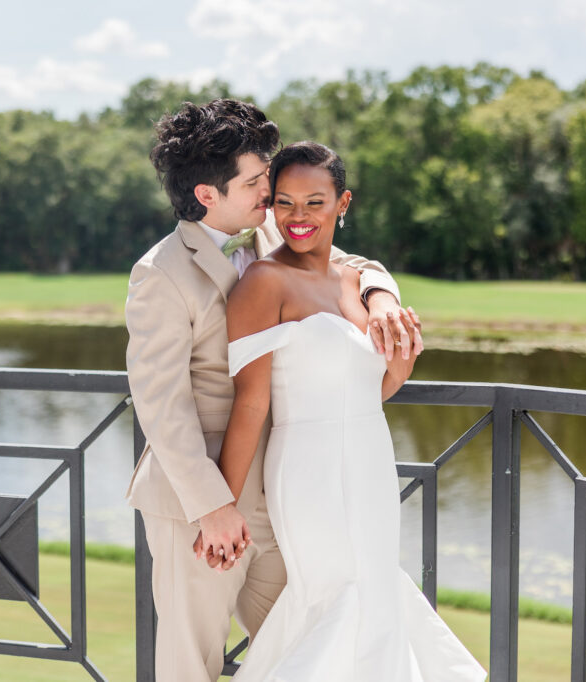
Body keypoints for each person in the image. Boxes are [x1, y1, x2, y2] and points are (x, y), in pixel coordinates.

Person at [125, 99, 416, 682]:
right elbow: (162, 406)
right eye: (258, 182)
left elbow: (349, 259)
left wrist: (382, 295)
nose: (272, 194)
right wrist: (212, 507)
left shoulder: (267, 228)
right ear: (209, 194)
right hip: (199, 503)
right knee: (192, 665)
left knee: (310, 650)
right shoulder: (159, 274)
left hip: (286, 497)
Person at [218, 141, 486, 681]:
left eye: (314, 203)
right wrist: (222, 506)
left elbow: (369, 390)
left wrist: (401, 367)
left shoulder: (355, 283)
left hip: (370, 461)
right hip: (308, 469)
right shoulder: (262, 282)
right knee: (335, 595)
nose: (298, 217)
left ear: (343, 204)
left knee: (375, 586)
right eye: (284, 202)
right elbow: (252, 402)